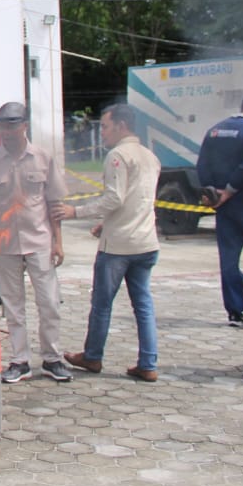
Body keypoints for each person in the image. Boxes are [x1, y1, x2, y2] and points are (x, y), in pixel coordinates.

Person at [53, 104, 162, 382]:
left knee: (102, 304)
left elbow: (115, 198)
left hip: (119, 247)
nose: (102, 132)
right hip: (146, 242)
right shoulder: (150, 156)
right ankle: (148, 363)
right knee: (143, 305)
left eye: (105, 126)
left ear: (121, 126)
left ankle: (92, 356)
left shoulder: (118, 155)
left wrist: (76, 212)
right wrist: (106, 223)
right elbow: (139, 200)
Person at [0, 102, 70, 384]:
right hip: (5, 244)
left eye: (13, 125)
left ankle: (52, 358)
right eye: (3, 126)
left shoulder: (43, 158)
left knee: (49, 302)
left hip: (39, 240)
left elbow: (54, 203)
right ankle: (19, 360)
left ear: (25, 126)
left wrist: (58, 242)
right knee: (13, 306)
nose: (7, 131)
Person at [196, 91, 243, 326]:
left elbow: (202, 164)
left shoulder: (215, 130)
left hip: (223, 207)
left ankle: (235, 311)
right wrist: (230, 190)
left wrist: (212, 193)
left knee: (228, 259)